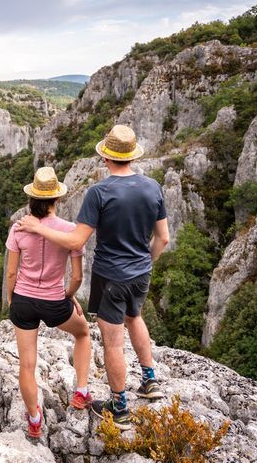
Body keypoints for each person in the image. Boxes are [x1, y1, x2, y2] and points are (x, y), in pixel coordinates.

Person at [16, 125, 170, 431]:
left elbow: (75, 242)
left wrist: (36, 228)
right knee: (134, 316)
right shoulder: (153, 187)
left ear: (106, 158)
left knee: (112, 343)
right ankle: (150, 379)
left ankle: (120, 406)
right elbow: (163, 239)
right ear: (131, 156)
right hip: (141, 273)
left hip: (111, 275)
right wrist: (144, 263)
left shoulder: (99, 192)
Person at [5, 166, 93, 439]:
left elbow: (11, 272)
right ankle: (81, 392)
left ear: (32, 198)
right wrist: (68, 297)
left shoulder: (19, 228)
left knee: (27, 365)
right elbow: (77, 277)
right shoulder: (71, 232)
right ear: (57, 200)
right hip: (55, 301)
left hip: (23, 301)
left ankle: (34, 420)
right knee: (83, 333)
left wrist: (12, 299)